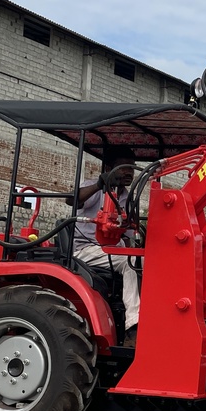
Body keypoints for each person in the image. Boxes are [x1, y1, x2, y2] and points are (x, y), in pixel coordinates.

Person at [73, 147, 141, 346]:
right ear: (109, 168)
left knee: (144, 259)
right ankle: (133, 326)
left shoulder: (128, 198)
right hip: (86, 250)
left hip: (111, 251)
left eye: (131, 168)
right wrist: (98, 185)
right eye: (123, 168)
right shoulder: (93, 189)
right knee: (131, 262)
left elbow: (128, 237)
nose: (129, 172)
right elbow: (73, 199)